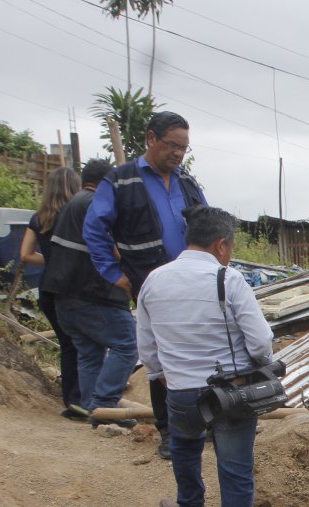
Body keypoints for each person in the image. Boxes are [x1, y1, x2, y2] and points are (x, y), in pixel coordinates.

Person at [137, 205, 272, 507]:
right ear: (222, 244)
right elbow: (261, 342)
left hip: (179, 390)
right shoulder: (228, 281)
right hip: (229, 395)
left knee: (184, 444)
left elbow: (146, 343)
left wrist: (161, 374)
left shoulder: (154, 280)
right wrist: (256, 368)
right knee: (235, 473)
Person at [83, 111, 207, 459]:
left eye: (184, 147)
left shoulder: (187, 183)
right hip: (151, 284)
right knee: (160, 358)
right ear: (151, 139)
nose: (178, 154)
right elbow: (94, 229)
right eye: (172, 145)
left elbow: (208, 225)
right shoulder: (121, 181)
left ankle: (201, 423)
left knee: (197, 350)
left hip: (193, 284)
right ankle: (170, 432)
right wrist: (112, 273)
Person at [39, 159, 138, 428]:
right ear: (107, 183)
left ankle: (93, 409)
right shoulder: (95, 204)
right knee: (127, 344)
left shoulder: (72, 204)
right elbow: (116, 247)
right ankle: (104, 404)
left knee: (90, 352)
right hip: (92, 295)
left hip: (64, 297)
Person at [20, 166, 83, 420]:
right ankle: (84, 399)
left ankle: (70, 400)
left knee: (67, 345)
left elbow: (25, 254)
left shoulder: (39, 218)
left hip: (47, 289)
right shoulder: (77, 216)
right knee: (85, 345)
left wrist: (52, 260)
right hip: (74, 288)